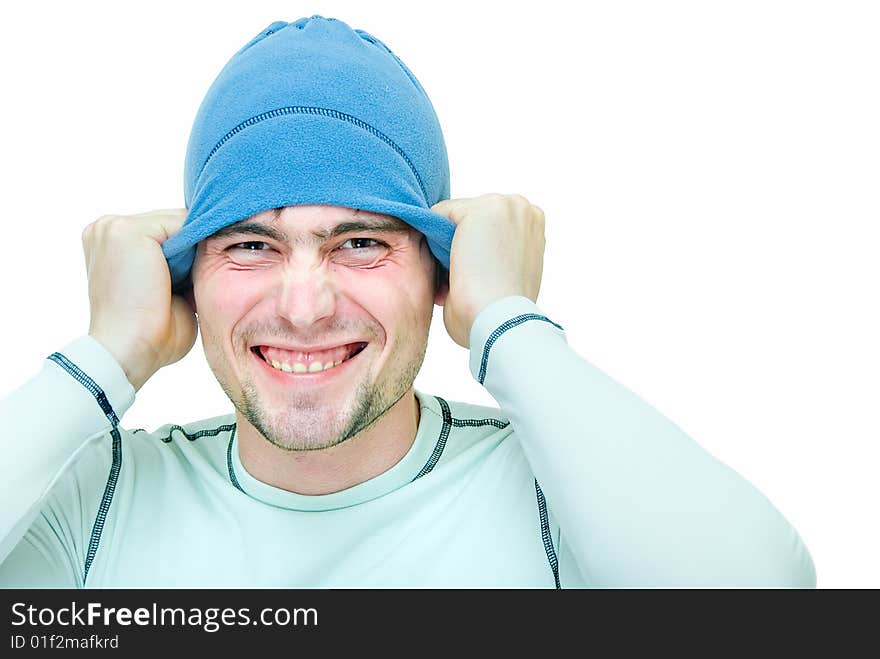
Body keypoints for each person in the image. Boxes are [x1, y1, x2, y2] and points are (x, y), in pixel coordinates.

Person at [0, 15, 815, 588]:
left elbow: (761, 601)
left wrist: (512, 326)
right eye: (250, 244)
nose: (306, 305)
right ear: (188, 281)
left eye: (362, 243)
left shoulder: (560, 488)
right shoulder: (94, 498)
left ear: (441, 273)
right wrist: (103, 356)